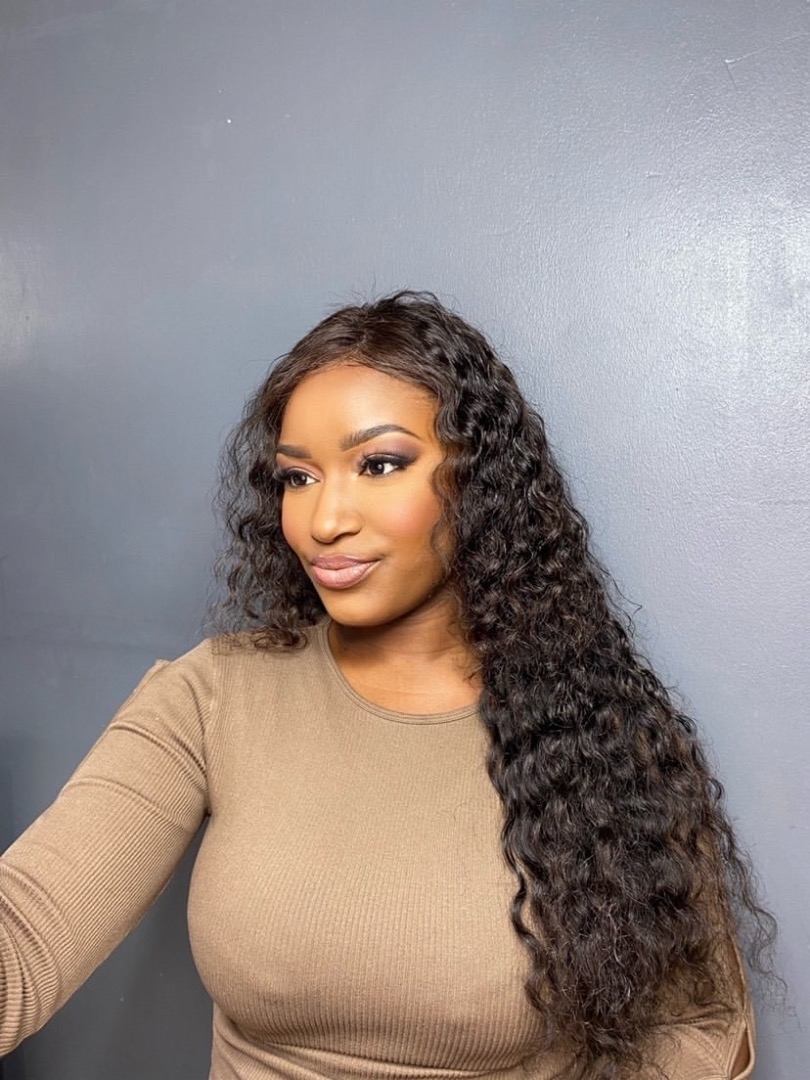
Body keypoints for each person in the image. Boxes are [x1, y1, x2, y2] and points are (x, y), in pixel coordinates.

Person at [0, 291, 772, 1079]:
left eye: (379, 465)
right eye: (298, 477)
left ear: (475, 481)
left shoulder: (595, 735)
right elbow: (25, 933)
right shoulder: (213, 698)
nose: (323, 520)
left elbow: (699, 1029)